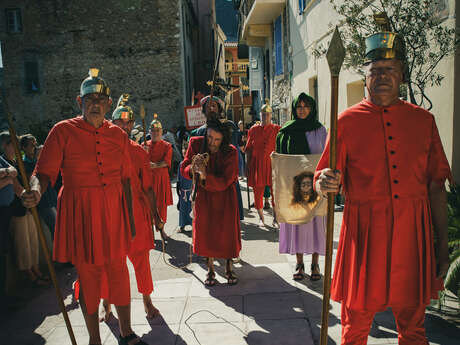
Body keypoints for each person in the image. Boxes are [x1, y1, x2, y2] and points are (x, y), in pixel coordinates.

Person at [315, 31, 450, 345]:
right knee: (354, 329)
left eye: (389, 70)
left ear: (401, 76)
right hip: (364, 236)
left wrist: (442, 248)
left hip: (412, 236)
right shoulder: (345, 122)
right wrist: (325, 181)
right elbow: (324, 173)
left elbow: (436, 187)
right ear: (365, 77)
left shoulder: (423, 121)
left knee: (414, 330)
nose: (382, 76)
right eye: (375, 70)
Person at [21, 69, 146, 345]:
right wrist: (36, 190)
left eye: (100, 99)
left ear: (109, 104)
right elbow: (43, 173)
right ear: (80, 102)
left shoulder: (119, 136)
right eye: (89, 99)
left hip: (114, 214)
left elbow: (128, 180)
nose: (95, 104)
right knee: (88, 276)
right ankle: (94, 339)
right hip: (81, 214)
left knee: (118, 271)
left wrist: (132, 223)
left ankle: (126, 332)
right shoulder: (62, 131)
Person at [99, 94, 163, 321]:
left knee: (141, 260)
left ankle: (147, 301)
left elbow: (148, 188)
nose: (124, 126)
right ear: (113, 122)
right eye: (120, 122)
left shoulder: (138, 152)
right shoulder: (102, 150)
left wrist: (155, 215)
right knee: (109, 262)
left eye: (128, 122)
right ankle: (106, 303)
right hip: (110, 212)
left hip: (135, 212)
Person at [181, 117, 241, 286]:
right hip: (204, 198)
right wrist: (193, 168)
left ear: (223, 140)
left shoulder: (230, 151)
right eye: (209, 138)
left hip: (225, 198)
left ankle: (229, 267)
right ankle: (210, 269)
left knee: (227, 233)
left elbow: (227, 179)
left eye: (217, 140)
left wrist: (206, 175)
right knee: (206, 232)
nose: (212, 143)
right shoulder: (195, 144)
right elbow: (183, 168)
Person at [276, 93, 327, 281]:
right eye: (299, 106)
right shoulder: (285, 132)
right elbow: (280, 161)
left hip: (315, 188)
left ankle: (315, 263)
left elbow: (327, 157)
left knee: (315, 224)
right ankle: (299, 263)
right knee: (296, 223)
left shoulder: (320, 131)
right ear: (294, 109)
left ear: (312, 108)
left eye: (306, 106)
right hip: (293, 188)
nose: (302, 109)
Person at [1, 132, 49, 287]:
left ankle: (36, 271)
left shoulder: (15, 162)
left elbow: (26, 179)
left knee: (33, 241)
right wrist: (21, 191)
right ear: (4, 145)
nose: (16, 148)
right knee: (23, 244)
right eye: (12, 144)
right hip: (15, 210)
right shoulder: (4, 162)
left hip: (26, 207)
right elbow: (15, 186)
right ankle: (31, 275)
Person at [244, 101, 280, 226]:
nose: (265, 116)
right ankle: (261, 218)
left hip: (272, 165)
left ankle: (275, 218)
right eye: (263, 114)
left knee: (275, 192)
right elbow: (248, 149)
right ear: (260, 115)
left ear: (271, 115)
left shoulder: (277, 129)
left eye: (267, 114)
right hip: (257, 165)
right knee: (257, 193)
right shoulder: (253, 130)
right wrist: (247, 166)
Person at [20, 134, 58, 239]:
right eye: (32, 145)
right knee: (55, 229)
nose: (35, 147)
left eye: (35, 143)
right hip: (43, 202)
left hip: (53, 198)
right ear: (24, 148)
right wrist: (38, 159)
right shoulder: (23, 164)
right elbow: (32, 178)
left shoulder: (41, 159)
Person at [147, 115, 173, 243]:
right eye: (153, 131)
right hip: (149, 181)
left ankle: (162, 230)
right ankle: (150, 232)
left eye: (157, 131)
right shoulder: (143, 145)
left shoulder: (167, 146)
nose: (155, 133)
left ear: (161, 132)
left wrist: (154, 165)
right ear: (149, 132)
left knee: (161, 205)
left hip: (161, 180)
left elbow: (166, 162)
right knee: (148, 206)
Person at [176, 140, 193, 232]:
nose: (184, 152)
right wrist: (178, 190)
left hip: (191, 191)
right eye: (183, 151)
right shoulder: (181, 164)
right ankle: (182, 225)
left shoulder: (192, 164)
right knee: (183, 209)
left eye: (186, 151)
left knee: (191, 208)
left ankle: (193, 224)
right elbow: (179, 179)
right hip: (183, 191)